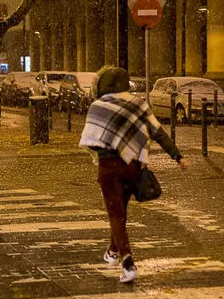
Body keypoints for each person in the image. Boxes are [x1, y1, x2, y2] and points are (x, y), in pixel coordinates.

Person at [79, 66, 189, 283]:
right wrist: (177, 156)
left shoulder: (98, 106)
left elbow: (91, 139)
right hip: (132, 165)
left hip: (109, 167)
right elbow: (157, 132)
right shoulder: (138, 104)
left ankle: (127, 261)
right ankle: (112, 252)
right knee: (121, 210)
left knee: (115, 214)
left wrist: (103, 152)